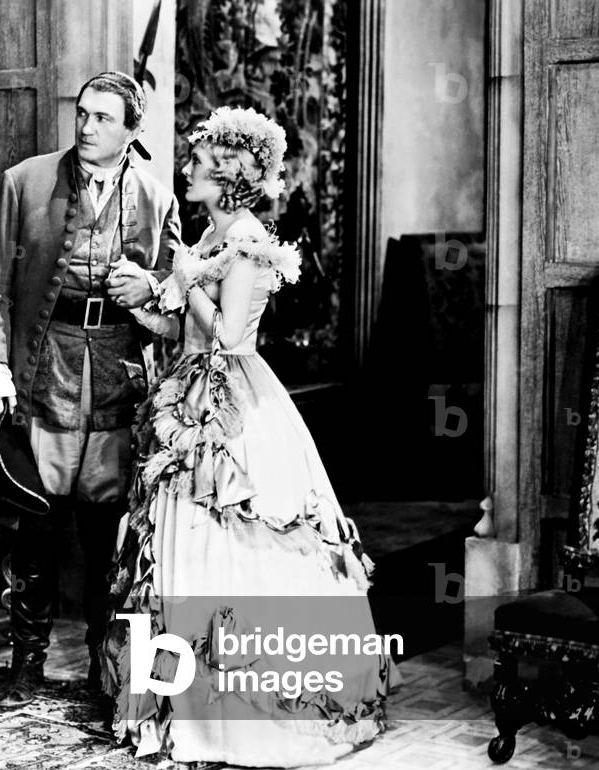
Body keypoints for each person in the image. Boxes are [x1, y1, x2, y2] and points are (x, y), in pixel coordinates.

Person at [101, 107, 395, 766]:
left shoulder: (247, 240)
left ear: (227, 175)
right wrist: (151, 302)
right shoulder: (210, 236)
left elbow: (231, 337)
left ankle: (243, 716)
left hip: (233, 405)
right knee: (175, 547)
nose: (187, 170)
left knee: (239, 533)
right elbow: (189, 330)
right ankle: (181, 705)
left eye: (198, 164)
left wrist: (180, 280)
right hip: (188, 394)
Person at [0, 71, 182, 708]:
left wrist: (147, 291)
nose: (86, 128)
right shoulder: (25, 182)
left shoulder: (154, 194)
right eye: (82, 115)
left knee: (105, 528)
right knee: (35, 521)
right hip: (46, 366)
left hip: (118, 373)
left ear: (131, 130)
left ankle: (101, 664)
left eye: (102, 119)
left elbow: (177, 295)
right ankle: (27, 663)